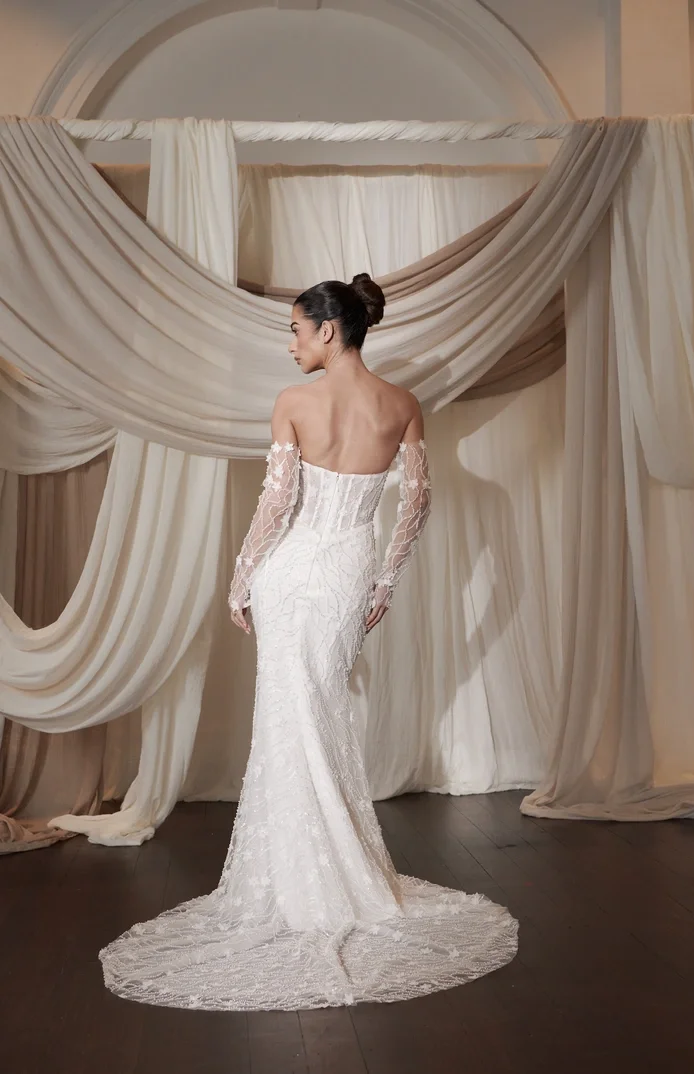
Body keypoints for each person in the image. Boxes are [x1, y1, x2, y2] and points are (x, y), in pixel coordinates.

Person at [98, 273, 518, 1011]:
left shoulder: (294, 404)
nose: (290, 344)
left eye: (295, 329)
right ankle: (324, 869)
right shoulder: (402, 405)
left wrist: (240, 579)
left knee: (294, 717)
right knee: (312, 712)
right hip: (350, 570)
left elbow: (277, 503)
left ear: (330, 330)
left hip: (292, 575)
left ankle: (304, 879)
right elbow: (415, 500)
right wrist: (383, 582)